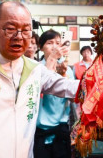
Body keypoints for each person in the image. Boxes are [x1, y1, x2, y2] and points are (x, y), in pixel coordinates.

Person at [0, 1, 79, 158]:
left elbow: (68, 86)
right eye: (10, 29)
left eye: (26, 31)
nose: (19, 37)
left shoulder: (34, 69)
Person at [34, 29, 75, 158]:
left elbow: (73, 98)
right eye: (50, 43)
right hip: (39, 133)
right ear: (40, 47)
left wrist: (63, 75)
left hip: (60, 132)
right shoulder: (35, 68)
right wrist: (52, 61)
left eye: (58, 43)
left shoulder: (67, 69)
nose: (55, 46)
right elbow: (44, 83)